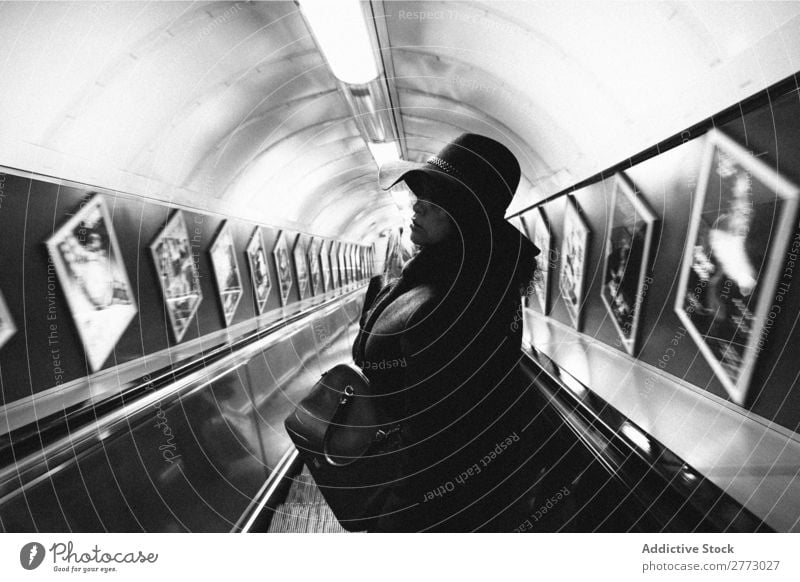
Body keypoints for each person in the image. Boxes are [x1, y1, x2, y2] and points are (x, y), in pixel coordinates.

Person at [352, 134, 540, 531]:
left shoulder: (459, 301)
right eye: (420, 191)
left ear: (467, 215)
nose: (416, 204)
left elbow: (438, 435)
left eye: (436, 198)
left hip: (439, 503)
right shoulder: (440, 274)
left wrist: (395, 522)